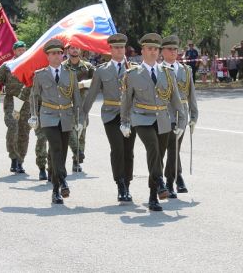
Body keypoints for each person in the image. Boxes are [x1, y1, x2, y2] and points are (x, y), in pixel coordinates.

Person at [120, 33, 187, 212]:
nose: (153, 52)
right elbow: (126, 100)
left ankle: (153, 196)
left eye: (156, 49)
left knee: (158, 156)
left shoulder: (168, 73)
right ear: (142, 51)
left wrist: (181, 122)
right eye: (149, 48)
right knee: (153, 147)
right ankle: (160, 181)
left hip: (163, 118)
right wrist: (124, 122)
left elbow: (175, 100)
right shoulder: (132, 74)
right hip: (141, 117)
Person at [82, 33, 137, 202]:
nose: (119, 50)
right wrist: (82, 115)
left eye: (122, 47)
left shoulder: (134, 68)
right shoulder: (101, 70)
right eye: (116, 47)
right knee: (117, 148)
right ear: (110, 49)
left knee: (128, 151)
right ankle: (120, 184)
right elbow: (92, 94)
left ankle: (127, 183)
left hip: (130, 115)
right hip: (110, 114)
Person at [28, 39, 82, 204]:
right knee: (56, 147)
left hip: (66, 116)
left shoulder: (71, 74)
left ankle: (55, 189)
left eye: (59, 53)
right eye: (53, 53)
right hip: (48, 115)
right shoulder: (40, 75)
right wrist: (34, 115)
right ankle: (63, 182)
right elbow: (34, 96)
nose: (57, 56)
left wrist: (80, 119)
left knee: (62, 151)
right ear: (48, 56)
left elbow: (76, 98)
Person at [161, 35, 198, 198]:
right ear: (162, 51)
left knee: (174, 147)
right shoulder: (158, 70)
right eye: (170, 49)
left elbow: (191, 95)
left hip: (181, 114)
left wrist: (194, 116)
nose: (173, 52)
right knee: (170, 147)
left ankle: (172, 180)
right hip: (165, 113)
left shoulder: (185, 70)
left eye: (175, 49)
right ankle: (174, 178)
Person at [0, 41, 29, 175]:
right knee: (13, 127)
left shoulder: (30, 64)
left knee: (24, 132)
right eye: (19, 50)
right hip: (11, 102)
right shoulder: (7, 66)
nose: (22, 52)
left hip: (26, 103)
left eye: (23, 50)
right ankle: (13, 157)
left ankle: (20, 161)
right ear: (14, 51)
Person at [62, 42, 95, 173]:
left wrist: (83, 84)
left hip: (82, 106)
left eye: (77, 48)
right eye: (72, 48)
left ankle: (76, 161)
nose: (74, 50)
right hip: (66, 105)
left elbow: (97, 81)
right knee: (68, 132)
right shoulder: (62, 66)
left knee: (81, 133)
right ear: (67, 50)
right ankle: (69, 157)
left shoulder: (88, 67)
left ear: (80, 50)